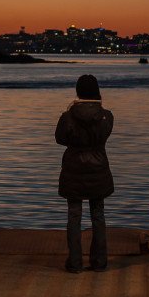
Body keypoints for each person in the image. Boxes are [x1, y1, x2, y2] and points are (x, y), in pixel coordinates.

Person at [55, 73, 114, 273]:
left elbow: (60, 139)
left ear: (78, 91)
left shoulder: (68, 116)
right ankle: (99, 262)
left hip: (74, 170)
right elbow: (104, 136)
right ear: (97, 91)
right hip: (98, 169)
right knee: (98, 215)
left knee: (74, 216)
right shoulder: (107, 116)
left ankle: (75, 262)